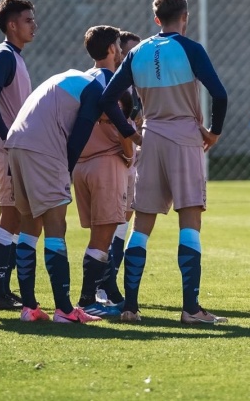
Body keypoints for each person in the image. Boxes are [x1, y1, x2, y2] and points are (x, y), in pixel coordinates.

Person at [100, 0, 228, 324]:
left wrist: (129, 133)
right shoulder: (190, 49)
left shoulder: (138, 52)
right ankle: (190, 309)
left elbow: (108, 97)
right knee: (190, 221)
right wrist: (214, 131)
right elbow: (220, 93)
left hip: (152, 137)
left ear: (156, 19)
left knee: (141, 225)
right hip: (185, 137)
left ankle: (130, 306)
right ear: (184, 17)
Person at [5, 61, 133, 324]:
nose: (103, 119)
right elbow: (80, 135)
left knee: (29, 226)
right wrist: (65, 171)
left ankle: (29, 307)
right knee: (55, 226)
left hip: (15, 142)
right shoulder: (96, 92)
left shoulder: (69, 78)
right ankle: (64, 310)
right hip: (43, 147)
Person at [0, 0, 36, 311]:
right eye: (28, 20)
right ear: (11, 24)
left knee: (16, 220)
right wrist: (8, 137)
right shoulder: (3, 56)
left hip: (15, 149)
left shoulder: (14, 56)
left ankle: (3, 290)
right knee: (10, 218)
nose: (34, 25)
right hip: (7, 149)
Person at [96, 30, 142, 307]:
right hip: (114, 158)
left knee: (123, 223)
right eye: (128, 52)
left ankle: (109, 284)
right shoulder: (113, 83)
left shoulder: (136, 83)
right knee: (111, 223)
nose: (133, 58)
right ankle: (102, 286)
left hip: (130, 158)